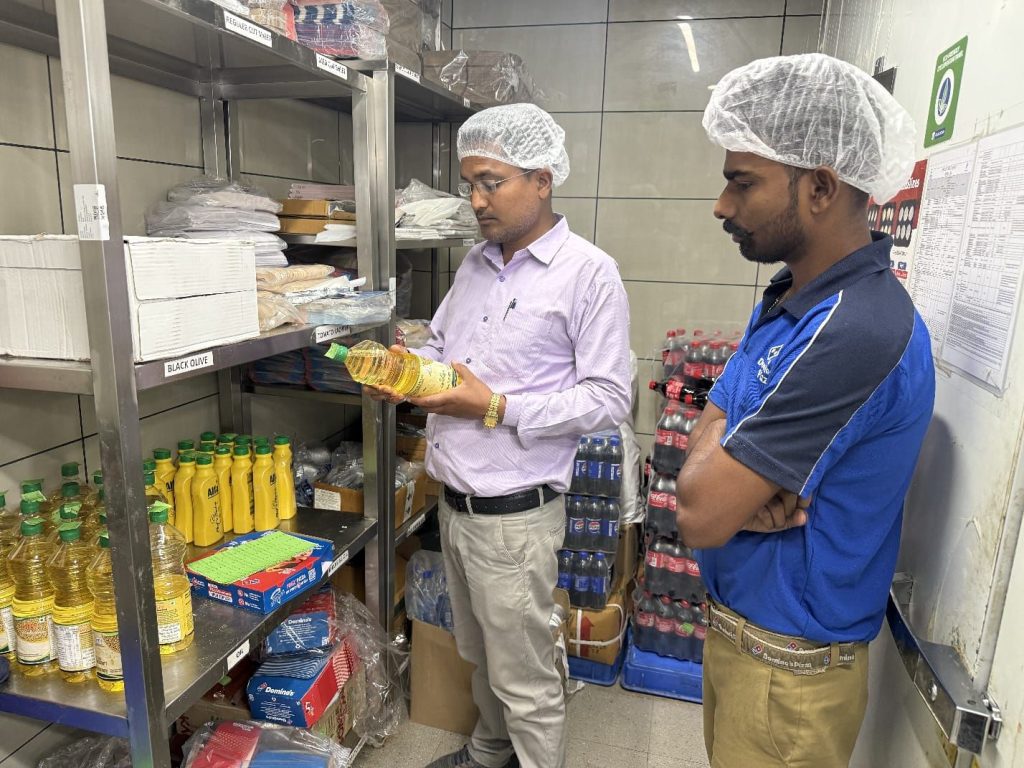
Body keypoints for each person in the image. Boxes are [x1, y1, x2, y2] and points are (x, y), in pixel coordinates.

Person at [676, 53, 936, 767]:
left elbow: (698, 512)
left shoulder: (855, 329)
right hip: (748, 648)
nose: (722, 205)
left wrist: (722, 473)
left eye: (743, 182)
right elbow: (707, 429)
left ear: (820, 187)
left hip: (788, 678)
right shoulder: (793, 296)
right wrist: (726, 463)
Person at [367, 103, 632, 768]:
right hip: (456, 507)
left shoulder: (588, 272)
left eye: (492, 182)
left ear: (542, 180)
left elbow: (608, 398)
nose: (477, 201)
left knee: (526, 680)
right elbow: (446, 347)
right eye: (470, 185)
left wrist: (497, 406)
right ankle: (489, 754)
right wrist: (408, 366)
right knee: (480, 653)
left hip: (514, 519)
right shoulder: (477, 264)